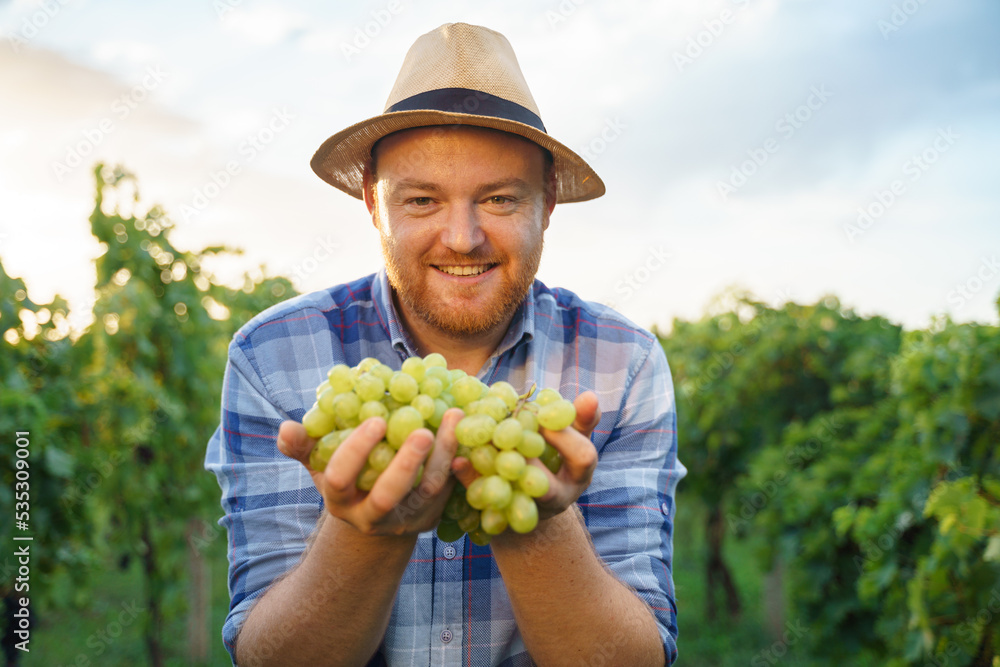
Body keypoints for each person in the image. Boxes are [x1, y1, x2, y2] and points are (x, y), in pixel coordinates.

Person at [205, 22, 685, 667]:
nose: (462, 238)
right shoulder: (272, 353)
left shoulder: (625, 363)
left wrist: (535, 522)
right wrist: (362, 533)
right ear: (374, 203)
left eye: (500, 199)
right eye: (423, 200)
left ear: (547, 205)